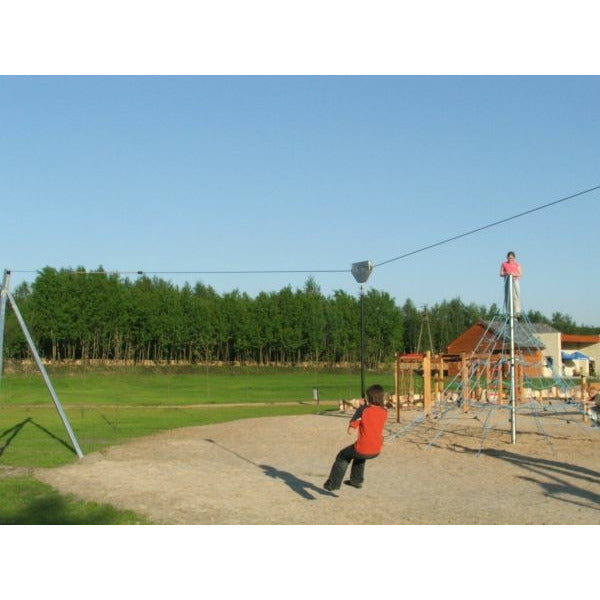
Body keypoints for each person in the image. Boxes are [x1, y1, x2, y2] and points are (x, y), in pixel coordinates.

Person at [323, 384, 388, 491]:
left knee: (342, 456)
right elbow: (373, 413)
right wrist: (365, 406)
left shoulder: (363, 410)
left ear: (369, 398)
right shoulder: (384, 411)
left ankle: (333, 484)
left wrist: (361, 408)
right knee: (359, 456)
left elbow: (351, 430)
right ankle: (356, 481)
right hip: (376, 449)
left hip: (363, 448)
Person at [500, 251, 522, 316]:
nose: (510, 259)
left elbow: (520, 273)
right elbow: (501, 273)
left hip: (515, 281)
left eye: (512, 258)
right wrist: (507, 273)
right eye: (509, 258)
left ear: (514, 258)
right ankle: (509, 312)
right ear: (507, 258)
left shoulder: (517, 264)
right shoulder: (504, 264)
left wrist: (513, 274)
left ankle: (517, 313)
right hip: (507, 281)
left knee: (516, 296)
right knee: (508, 296)